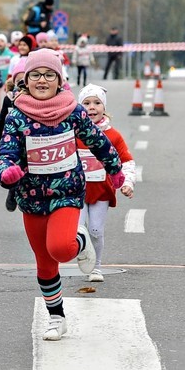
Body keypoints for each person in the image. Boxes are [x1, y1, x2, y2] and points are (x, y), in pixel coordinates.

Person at [0, 49, 123, 341]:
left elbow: (97, 141)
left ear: (59, 80)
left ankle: (79, 240)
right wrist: (6, 172)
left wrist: (115, 169)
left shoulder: (73, 111)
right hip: (31, 197)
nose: (42, 80)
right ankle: (56, 317)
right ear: (26, 80)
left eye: (49, 75)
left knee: (61, 248)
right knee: (44, 261)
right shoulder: (16, 115)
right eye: (36, 75)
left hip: (66, 192)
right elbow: (6, 154)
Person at [76, 84, 136, 282]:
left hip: (101, 191)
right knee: (79, 229)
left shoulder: (113, 135)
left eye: (97, 103)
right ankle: (85, 255)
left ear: (104, 107)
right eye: (86, 103)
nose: (91, 107)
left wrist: (127, 182)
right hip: (77, 191)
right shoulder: (72, 132)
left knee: (95, 230)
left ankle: (97, 267)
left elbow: (126, 161)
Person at [0, 57, 27, 213]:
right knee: (16, 169)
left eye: (25, 80)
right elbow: (1, 121)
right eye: (19, 81)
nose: (22, 85)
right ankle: (13, 192)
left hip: (31, 144)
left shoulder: (36, 99)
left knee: (28, 172)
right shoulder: (9, 99)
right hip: (13, 142)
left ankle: (25, 196)